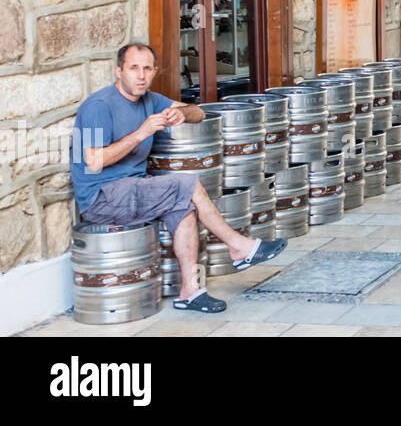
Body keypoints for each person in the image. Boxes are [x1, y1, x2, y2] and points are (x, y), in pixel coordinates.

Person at [70, 43, 286, 313]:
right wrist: (142, 132)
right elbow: (93, 160)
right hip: (101, 197)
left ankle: (190, 292)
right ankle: (239, 246)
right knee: (188, 183)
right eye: (133, 68)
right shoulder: (98, 107)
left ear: (154, 71)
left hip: (135, 190)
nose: (141, 75)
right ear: (118, 71)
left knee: (183, 209)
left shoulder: (151, 100)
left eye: (147, 69)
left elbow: (200, 113)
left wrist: (180, 113)